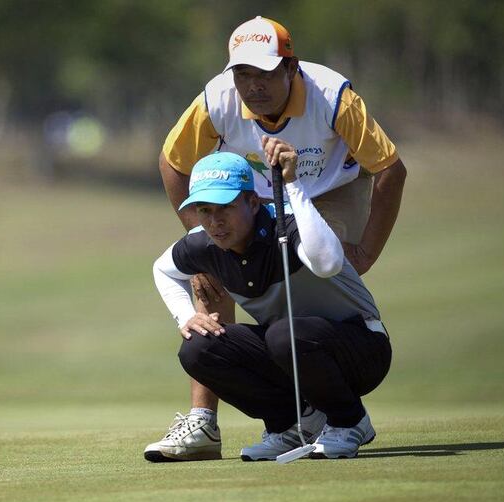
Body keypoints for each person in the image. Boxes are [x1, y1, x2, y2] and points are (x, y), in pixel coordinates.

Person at [147, 15, 406, 460]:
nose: (254, 85)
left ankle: (338, 409)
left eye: (265, 72)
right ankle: (216, 423)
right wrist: (206, 238)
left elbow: (389, 169)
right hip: (242, 195)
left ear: (290, 67)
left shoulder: (332, 97)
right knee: (210, 283)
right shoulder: (217, 100)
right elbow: (173, 162)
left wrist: (364, 253)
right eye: (243, 74)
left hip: (329, 187)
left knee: (309, 275)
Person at [145, 145, 391, 462]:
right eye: (204, 210)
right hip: (291, 351)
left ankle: (350, 421)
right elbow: (163, 269)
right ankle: (289, 424)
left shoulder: (288, 223)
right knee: (199, 347)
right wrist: (186, 316)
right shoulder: (205, 242)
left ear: (252, 201)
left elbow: (327, 262)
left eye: (224, 207)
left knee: (282, 334)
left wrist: (294, 187)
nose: (214, 221)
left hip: (362, 349)